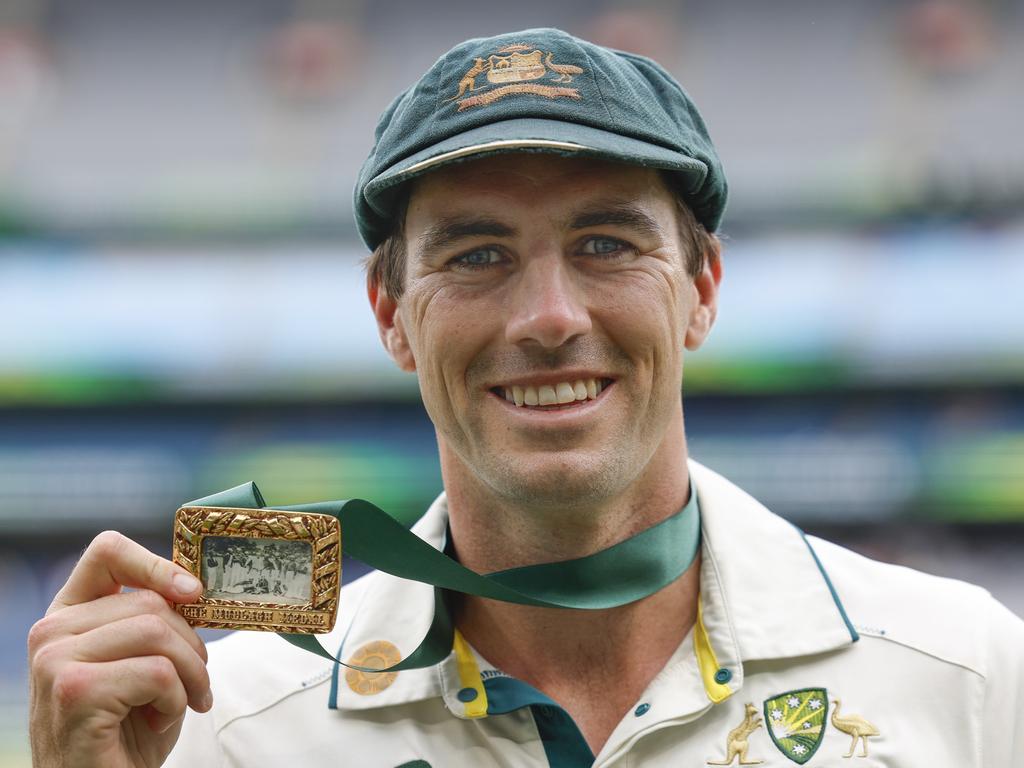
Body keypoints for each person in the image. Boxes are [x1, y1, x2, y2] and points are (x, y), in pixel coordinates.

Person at [27, 27, 1023, 768]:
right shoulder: (220, 730)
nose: (547, 317)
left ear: (702, 288)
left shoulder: (966, 672)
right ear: (391, 311)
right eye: (477, 254)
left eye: (605, 244)